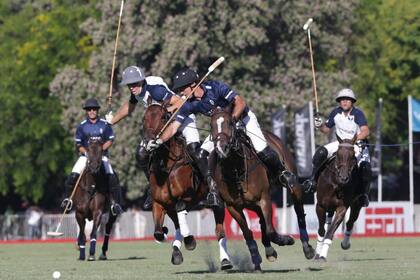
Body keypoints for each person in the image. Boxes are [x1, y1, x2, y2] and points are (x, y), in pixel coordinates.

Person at [145, 68, 296, 206]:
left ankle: (283, 174)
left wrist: (233, 120)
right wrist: (159, 140)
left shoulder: (216, 87)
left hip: (242, 119)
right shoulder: (189, 104)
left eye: (183, 88)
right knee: (201, 154)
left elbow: (240, 102)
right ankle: (212, 189)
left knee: (261, 148)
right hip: (220, 128)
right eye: (179, 90)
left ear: (193, 85)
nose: (181, 93)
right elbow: (174, 127)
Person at [105, 66, 204, 208]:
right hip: (161, 126)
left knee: (194, 148)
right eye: (129, 85)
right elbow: (129, 107)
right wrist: (112, 121)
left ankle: (206, 186)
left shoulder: (156, 90)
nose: (131, 88)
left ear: (141, 81)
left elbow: (180, 102)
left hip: (182, 118)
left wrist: (164, 111)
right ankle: (152, 189)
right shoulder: (137, 92)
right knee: (141, 154)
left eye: (134, 84)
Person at [303, 88, 371, 207]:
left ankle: (363, 195)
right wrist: (319, 125)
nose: (344, 102)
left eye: (347, 100)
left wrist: (353, 140)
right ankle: (312, 181)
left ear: (352, 102)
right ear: (339, 102)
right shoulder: (335, 112)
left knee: (365, 167)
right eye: (342, 100)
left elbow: (365, 131)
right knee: (320, 153)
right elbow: (326, 130)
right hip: (340, 144)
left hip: (356, 144)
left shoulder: (357, 114)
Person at [61, 98, 123, 215]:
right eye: (89, 109)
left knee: (112, 177)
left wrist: (99, 152)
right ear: (86, 111)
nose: (92, 111)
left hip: (101, 156)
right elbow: (79, 144)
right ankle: (68, 199)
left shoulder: (105, 124)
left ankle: (114, 204)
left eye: (94, 109)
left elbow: (110, 140)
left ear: (97, 110)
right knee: (73, 175)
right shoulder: (82, 126)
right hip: (85, 156)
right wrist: (87, 153)